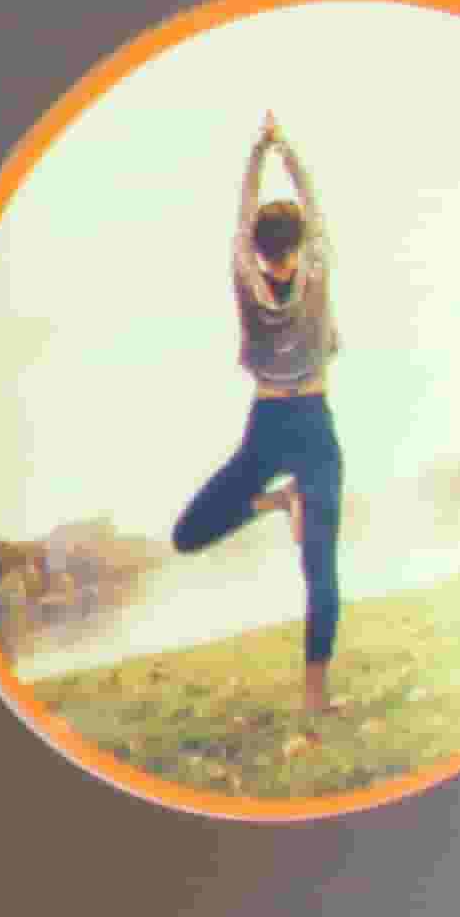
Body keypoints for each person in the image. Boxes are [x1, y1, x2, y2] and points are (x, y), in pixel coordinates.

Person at [166, 112, 344, 737]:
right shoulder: (318, 266)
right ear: (299, 242)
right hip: (312, 424)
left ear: (259, 250)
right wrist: (284, 148)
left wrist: (257, 153)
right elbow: (312, 201)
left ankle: (274, 502)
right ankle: (315, 696)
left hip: (268, 424)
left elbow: (242, 219)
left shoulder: (245, 276)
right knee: (321, 570)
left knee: (188, 535)